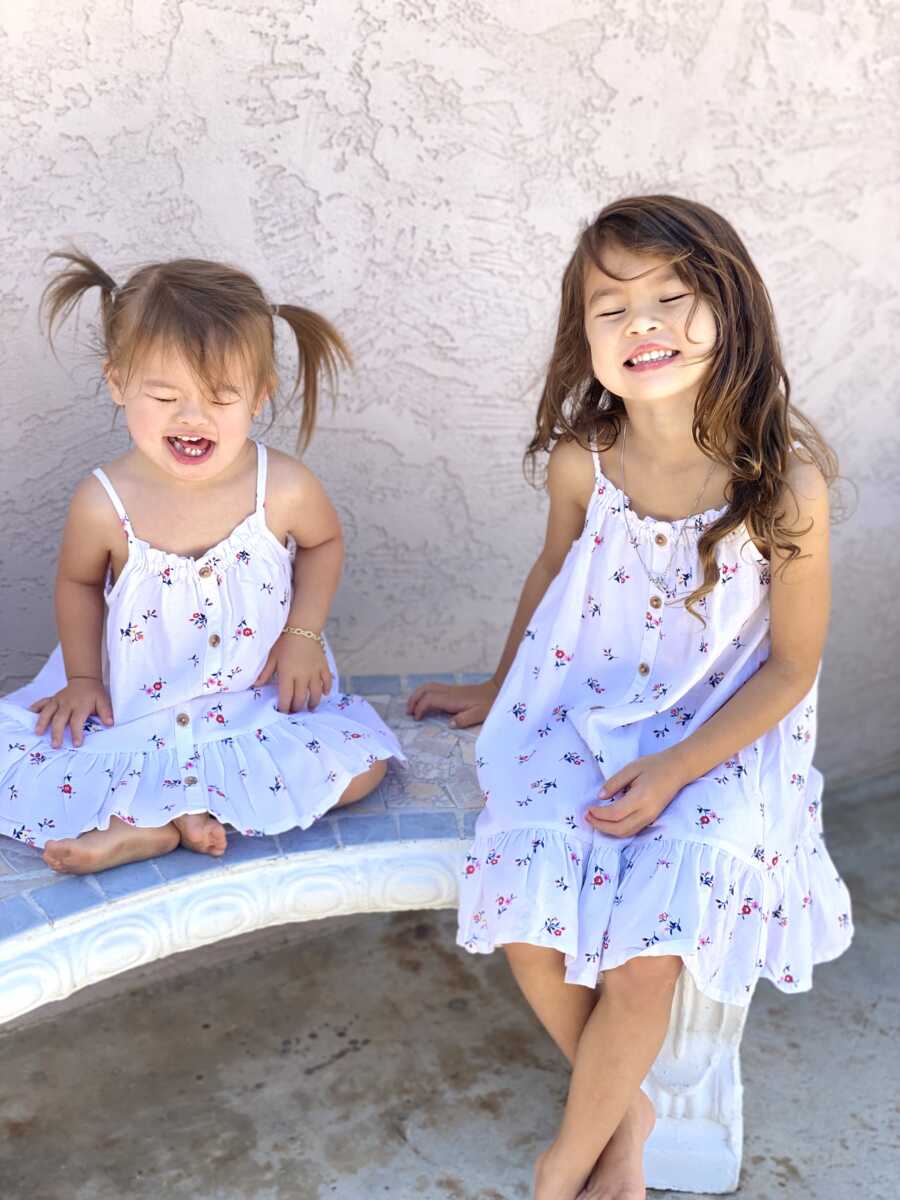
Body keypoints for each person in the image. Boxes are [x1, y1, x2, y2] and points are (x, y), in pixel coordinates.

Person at [407, 195, 853, 1200]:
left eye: (671, 295)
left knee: (644, 957)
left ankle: (567, 1164)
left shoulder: (787, 488)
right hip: (585, 710)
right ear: (586, 339)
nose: (642, 323)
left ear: (732, 310)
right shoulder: (586, 461)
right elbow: (554, 577)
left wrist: (675, 766)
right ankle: (628, 1110)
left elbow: (792, 666)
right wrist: (496, 684)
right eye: (611, 307)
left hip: (725, 737)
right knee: (527, 918)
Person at [0, 251, 405, 875]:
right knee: (37, 760)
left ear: (259, 397)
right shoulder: (103, 502)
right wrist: (82, 679)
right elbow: (77, 584)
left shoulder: (283, 488)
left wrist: (302, 634)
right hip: (135, 701)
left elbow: (324, 544)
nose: (192, 418)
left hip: (252, 697)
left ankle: (173, 815)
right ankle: (158, 824)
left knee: (361, 764)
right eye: (165, 396)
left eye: (220, 398)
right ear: (117, 383)